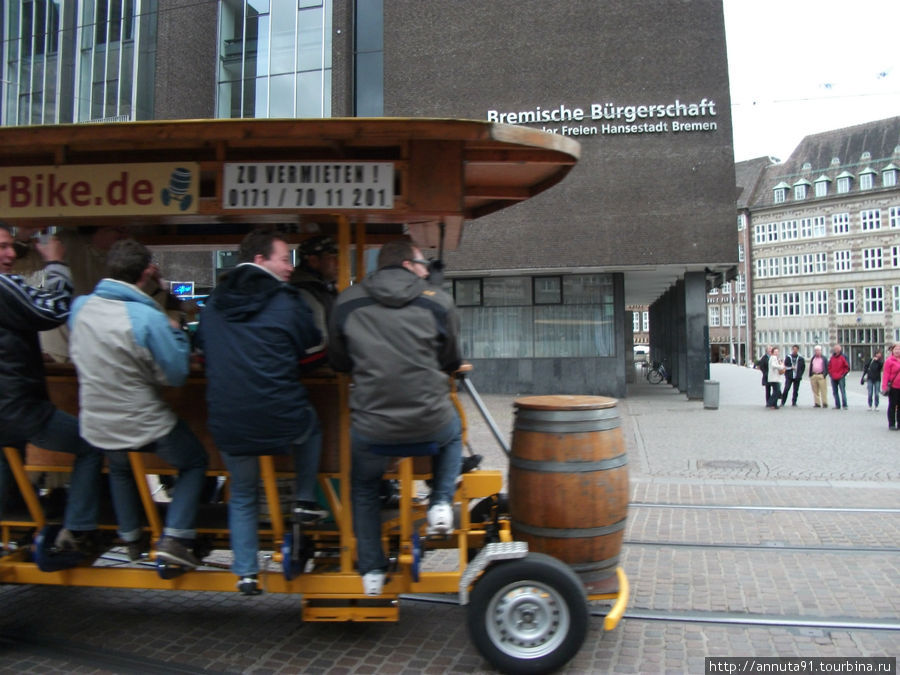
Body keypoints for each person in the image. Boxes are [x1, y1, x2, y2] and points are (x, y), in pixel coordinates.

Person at [329, 239, 462, 597]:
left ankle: (371, 572)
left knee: (363, 486)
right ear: (407, 265)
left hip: (373, 429)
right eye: (421, 266)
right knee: (453, 434)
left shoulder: (347, 301)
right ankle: (440, 504)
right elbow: (451, 360)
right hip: (429, 423)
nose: (424, 271)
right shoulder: (437, 301)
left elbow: (339, 362)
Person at [196, 230, 326, 595]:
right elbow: (313, 350)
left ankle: (246, 573)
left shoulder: (215, 301)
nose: (290, 267)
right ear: (260, 261)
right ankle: (303, 500)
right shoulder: (287, 300)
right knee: (311, 426)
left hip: (228, 420)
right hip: (280, 415)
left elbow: (203, 353)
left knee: (242, 493)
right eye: (285, 259)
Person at [69, 239, 208, 568]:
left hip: (96, 420)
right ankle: (175, 537)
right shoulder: (147, 317)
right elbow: (174, 375)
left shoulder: (80, 308)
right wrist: (175, 332)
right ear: (147, 272)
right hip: (141, 420)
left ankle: (132, 537)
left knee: (119, 464)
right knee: (193, 460)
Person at [0, 224, 103, 553]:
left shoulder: (12, 284)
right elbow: (52, 308)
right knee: (89, 444)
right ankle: (76, 531)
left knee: (7, 461)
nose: (11, 254)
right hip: (18, 406)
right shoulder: (3, 284)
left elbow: (27, 297)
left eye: (10, 246)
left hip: (7, 411)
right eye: (2, 247)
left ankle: (15, 526)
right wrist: (57, 261)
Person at [882, 343, 900, 430]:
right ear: (892, 351)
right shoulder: (889, 361)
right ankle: (892, 423)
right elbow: (886, 374)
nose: (898, 351)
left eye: (899, 349)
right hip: (893, 387)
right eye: (896, 349)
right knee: (892, 405)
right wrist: (884, 386)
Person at [828, 344, 850, 410]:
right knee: (835, 392)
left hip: (841, 376)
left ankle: (845, 405)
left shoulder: (843, 356)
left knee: (842, 391)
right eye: (835, 349)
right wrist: (830, 373)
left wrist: (843, 374)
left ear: (840, 349)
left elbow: (847, 366)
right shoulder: (832, 357)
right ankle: (837, 405)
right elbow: (829, 366)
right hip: (833, 376)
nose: (835, 350)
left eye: (837, 349)